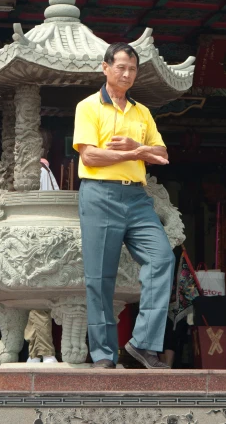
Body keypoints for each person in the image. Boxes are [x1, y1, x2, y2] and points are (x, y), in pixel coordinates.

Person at [73, 42, 173, 370]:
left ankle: (143, 344)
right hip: (100, 195)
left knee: (162, 259)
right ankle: (103, 354)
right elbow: (90, 156)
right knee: (100, 278)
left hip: (137, 199)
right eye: (120, 67)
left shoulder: (142, 112)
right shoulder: (88, 107)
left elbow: (162, 156)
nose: (126, 73)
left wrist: (137, 147)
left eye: (132, 69)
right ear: (105, 68)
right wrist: (134, 153)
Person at [24, 129, 59, 364]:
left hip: (38, 239)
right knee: (33, 299)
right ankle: (35, 352)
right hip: (36, 240)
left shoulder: (38, 170)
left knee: (38, 299)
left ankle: (44, 352)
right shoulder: (43, 170)